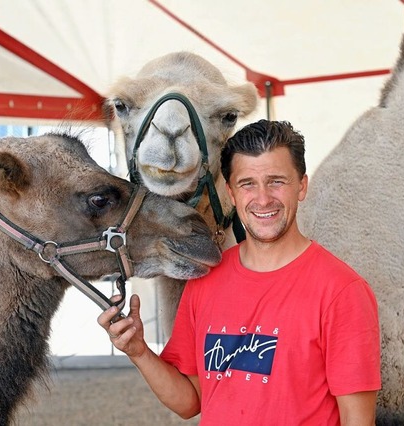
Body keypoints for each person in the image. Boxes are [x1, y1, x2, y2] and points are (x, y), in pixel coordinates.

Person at [98, 120, 381, 425]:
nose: (262, 199)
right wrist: (138, 351)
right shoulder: (206, 281)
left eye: (277, 181)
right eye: (248, 183)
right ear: (232, 193)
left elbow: (358, 420)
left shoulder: (342, 291)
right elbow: (189, 402)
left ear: (302, 186)